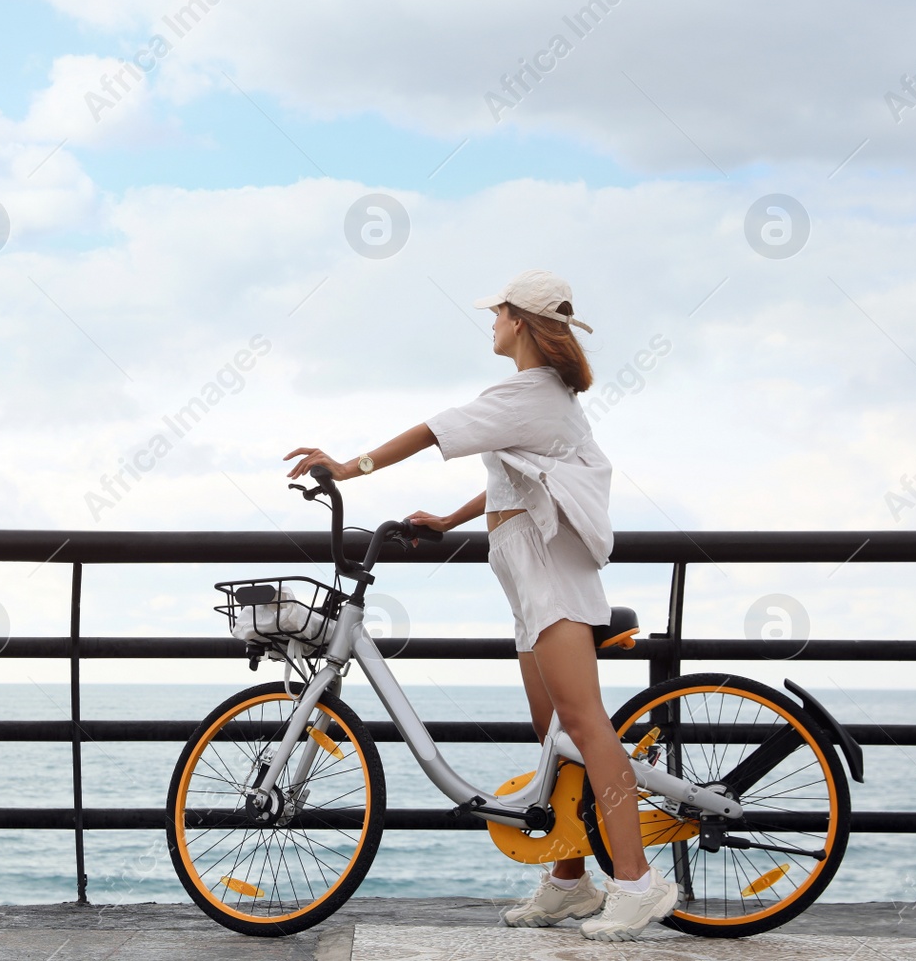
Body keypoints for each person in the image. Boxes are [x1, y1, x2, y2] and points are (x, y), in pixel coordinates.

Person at [283, 269, 678, 942]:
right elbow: (516, 477)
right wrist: (451, 516)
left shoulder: (527, 393)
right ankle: (569, 880)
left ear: (518, 322)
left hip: (552, 577)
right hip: (528, 579)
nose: (490, 323)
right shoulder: (538, 399)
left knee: (585, 727)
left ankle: (636, 882)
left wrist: (349, 467)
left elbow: (433, 430)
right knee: (554, 730)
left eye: (496, 314)